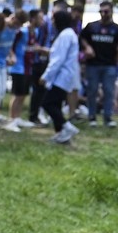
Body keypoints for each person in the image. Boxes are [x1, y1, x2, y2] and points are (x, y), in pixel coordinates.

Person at [79, 0, 118, 127]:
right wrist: (87, 47)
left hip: (110, 65)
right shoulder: (91, 27)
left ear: (111, 12)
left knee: (109, 91)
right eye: (101, 11)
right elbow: (82, 38)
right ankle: (92, 116)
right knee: (92, 90)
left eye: (106, 11)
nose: (103, 14)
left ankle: (108, 117)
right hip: (93, 64)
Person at [37, 10, 81, 144]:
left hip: (62, 75)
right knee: (56, 103)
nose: (52, 23)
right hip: (65, 74)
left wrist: (46, 76)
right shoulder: (68, 34)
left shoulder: (65, 35)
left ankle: (66, 127)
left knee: (48, 103)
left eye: (54, 20)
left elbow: (58, 59)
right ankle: (61, 134)